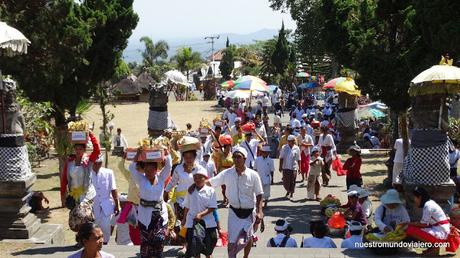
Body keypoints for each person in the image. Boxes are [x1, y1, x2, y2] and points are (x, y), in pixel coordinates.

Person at [206, 147, 264, 258]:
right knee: (232, 241)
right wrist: (196, 181)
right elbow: (212, 182)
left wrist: (260, 211)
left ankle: (245, 256)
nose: (236, 159)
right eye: (234, 157)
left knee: (248, 237)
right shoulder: (227, 173)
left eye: (239, 157)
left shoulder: (253, 175)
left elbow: (259, 194)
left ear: (245, 158)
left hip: (249, 212)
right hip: (233, 212)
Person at [129, 149, 172, 258]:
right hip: (144, 215)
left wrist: (166, 153)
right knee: (146, 244)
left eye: (151, 170)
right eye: (146, 170)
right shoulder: (141, 179)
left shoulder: (161, 177)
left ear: (156, 169)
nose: (148, 173)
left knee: (159, 240)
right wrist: (138, 154)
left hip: (160, 215)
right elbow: (132, 169)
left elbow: (168, 166)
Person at [61, 131, 100, 233]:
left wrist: (91, 135)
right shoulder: (70, 163)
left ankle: (89, 239)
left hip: (87, 194)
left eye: (80, 149)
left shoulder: (88, 161)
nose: (78, 151)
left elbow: (97, 150)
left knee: (84, 215)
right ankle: (81, 240)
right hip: (74, 195)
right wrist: (63, 194)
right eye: (76, 149)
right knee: (75, 220)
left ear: (84, 150)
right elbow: (64, 179)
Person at [404, 187, 456, 255]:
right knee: (412, 227)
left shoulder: (428, 206)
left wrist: (407, 223)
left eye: (415, 197)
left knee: (410, 229)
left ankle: (435, 247)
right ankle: (433, 247)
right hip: (441, 231)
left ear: (419, 197)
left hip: (442, 233)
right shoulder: (430, 203)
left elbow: (424, 224)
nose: (414, 200)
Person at [183, 167, 218, 258]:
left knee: (208, 248)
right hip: (193, 223)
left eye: (200, 177)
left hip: (208, 223)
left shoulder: (211, 190)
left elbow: (212, 207)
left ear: (205, 178)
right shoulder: (190, 190)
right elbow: (187, 206)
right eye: (195, 177)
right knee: (195, 248)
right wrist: (184, 219)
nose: (197, 180)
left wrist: (201, 215)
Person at [91, 154, 119, 244]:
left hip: (106, 204)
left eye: (99, 163)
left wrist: (117, 204)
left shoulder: (109, 172)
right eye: (95, 163)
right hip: (92, 205)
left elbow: (113, 189)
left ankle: (105, 244)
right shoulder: (88, 173)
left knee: (106, 226)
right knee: (93, 226)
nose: (97, 165)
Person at [212, 135, 234, 206]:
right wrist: (217, 172)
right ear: (224, 148)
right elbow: (219, 163)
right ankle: (225, 198)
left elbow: (234, 163)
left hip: (230, 172)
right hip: (223, 171)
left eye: (229, 147)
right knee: (224, 188)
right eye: (227, 147)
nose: (228, 149)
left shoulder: (232, 155)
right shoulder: (221, 155)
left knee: (229, 187)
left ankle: (229, 200)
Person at [279, 135, 301, 199]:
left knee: (293, 181)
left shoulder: (297, 148)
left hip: (293, 167)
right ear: (288, 141)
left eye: (294, 141)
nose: (294, 142)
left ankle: (291, 192)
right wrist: (280, 166)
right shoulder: (284, 147)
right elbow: (281, 157)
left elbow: (299, 158)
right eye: (292, 141)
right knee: (286, 181)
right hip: (285, 167)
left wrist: (300, 168)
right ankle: (288, 190)